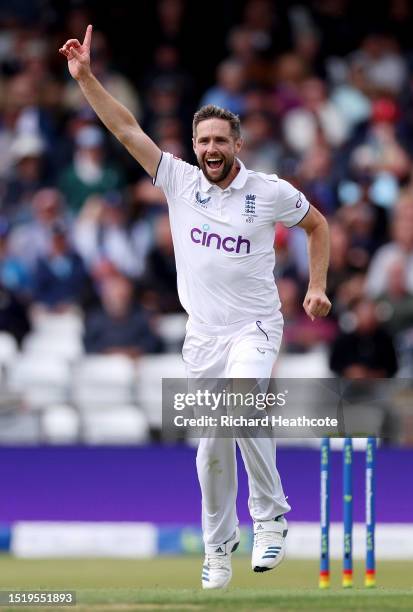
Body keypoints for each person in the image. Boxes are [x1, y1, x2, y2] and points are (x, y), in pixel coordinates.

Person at [59, 26, 331, 589]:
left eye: (219, 141)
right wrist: (86, 79)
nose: (210, 149)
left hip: (255, 326)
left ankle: (271, 515)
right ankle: (217, 548)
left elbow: (317, 225)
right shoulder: (180, 181)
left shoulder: (269, 190)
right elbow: (125, 127)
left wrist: (317, 285)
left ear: (238, 145)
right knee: (210, 448)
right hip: (203, 335)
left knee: (240, 403)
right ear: (194, 144)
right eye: (202, 141)